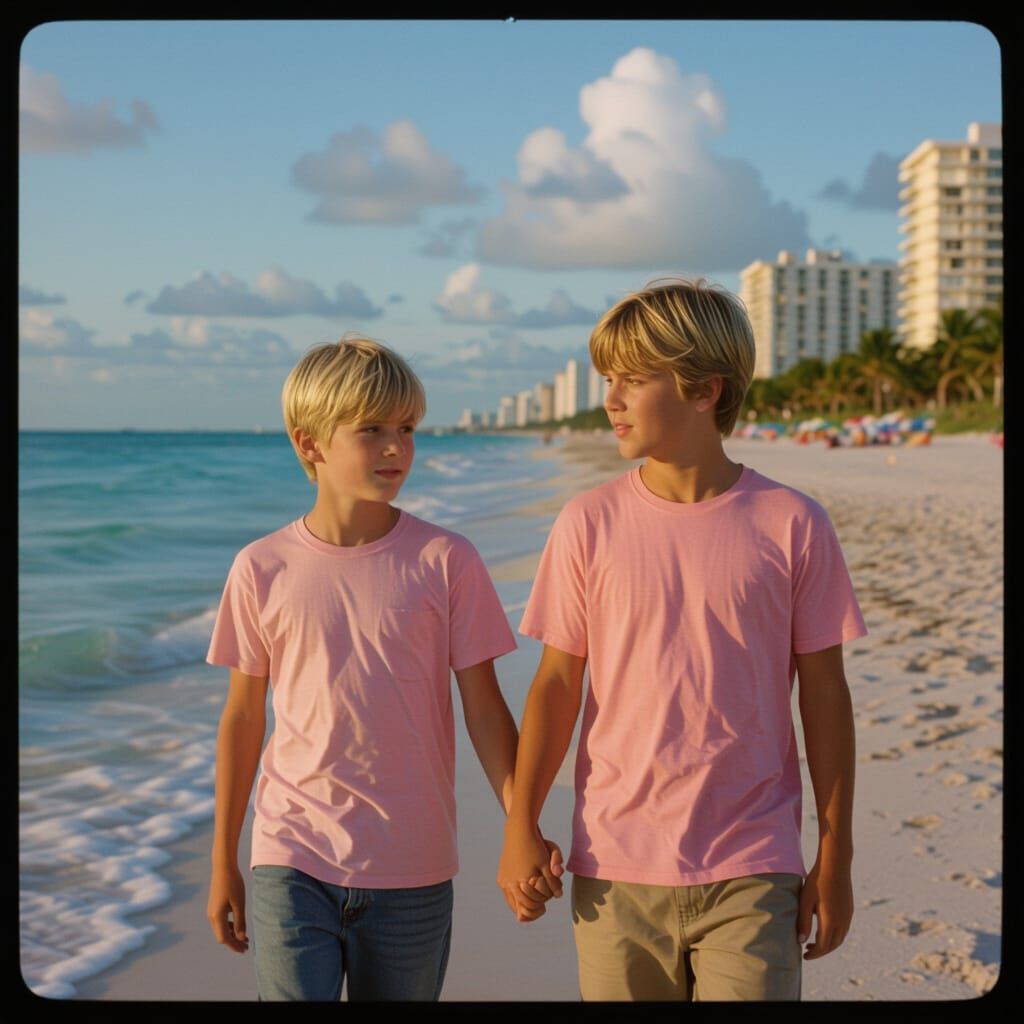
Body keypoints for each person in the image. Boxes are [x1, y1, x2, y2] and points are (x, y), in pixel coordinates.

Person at [497, 280, 866, 1001]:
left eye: (633, 379)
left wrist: (835, 855)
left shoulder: (792, 524)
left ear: (704, 390)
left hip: (753, 864)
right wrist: (520, 823)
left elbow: (825, 696)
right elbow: (556, 685)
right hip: (614, 867)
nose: (611, 398)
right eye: (608, 378)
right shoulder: (588, 523)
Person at [206, 336, 560, 1001]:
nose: (397, 446)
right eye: (372, 430)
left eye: (407, 428)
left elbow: (484, 709)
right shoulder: (262, 568)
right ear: (309, 443)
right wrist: (224, 858)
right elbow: (244, 717)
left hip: (413, 864)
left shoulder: (445, 561)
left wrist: (523, 825)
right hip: (292, 852)